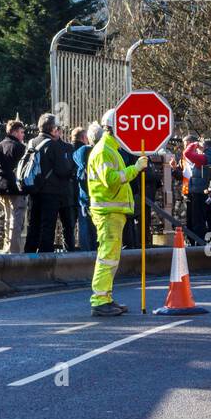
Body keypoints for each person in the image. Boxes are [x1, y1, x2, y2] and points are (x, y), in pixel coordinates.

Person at [86, 107, 148, 316]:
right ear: (116, 128)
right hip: (108, 212)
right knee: (107, 257)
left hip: (112, 211)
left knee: (110, 257)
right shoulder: (105, 150)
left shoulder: (111, 149)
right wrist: (136, 168)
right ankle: (100, 300)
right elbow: (112, 180)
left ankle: (106, 297)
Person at [28, 113, 78, 253]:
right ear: (53, 129)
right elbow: (63, 170)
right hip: (52, 192)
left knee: (34, 224)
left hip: (35, 189)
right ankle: (46, 257)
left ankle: (29, 255)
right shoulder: (53, 145)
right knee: (48, 226)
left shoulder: (32, 142)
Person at [0, 119, 29, 253]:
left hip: (2, 187)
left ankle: (6, 247)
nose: (23, 134)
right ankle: (14, 250)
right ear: (14, 132)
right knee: (16, 220)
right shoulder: (19, 147)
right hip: (16, 188)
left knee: (7, 219)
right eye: (21, 132)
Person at [75, 124, 100, 251]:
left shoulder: (82, 151)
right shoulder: (102, 151)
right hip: (99, 194)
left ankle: (86, 250)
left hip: (84, 193)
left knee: (84, 224)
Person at [182, 133, 209, 241]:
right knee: (190, 220)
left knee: (198, 220)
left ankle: (198, 242)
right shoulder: (184, 159)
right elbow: (184, 175)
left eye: (188, 144)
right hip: (188, 192)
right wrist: (175, 170)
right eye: (185, 145)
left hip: (198, 192)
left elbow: (187, 153)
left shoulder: (200, 157)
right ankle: (192, 241)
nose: (186, 147)